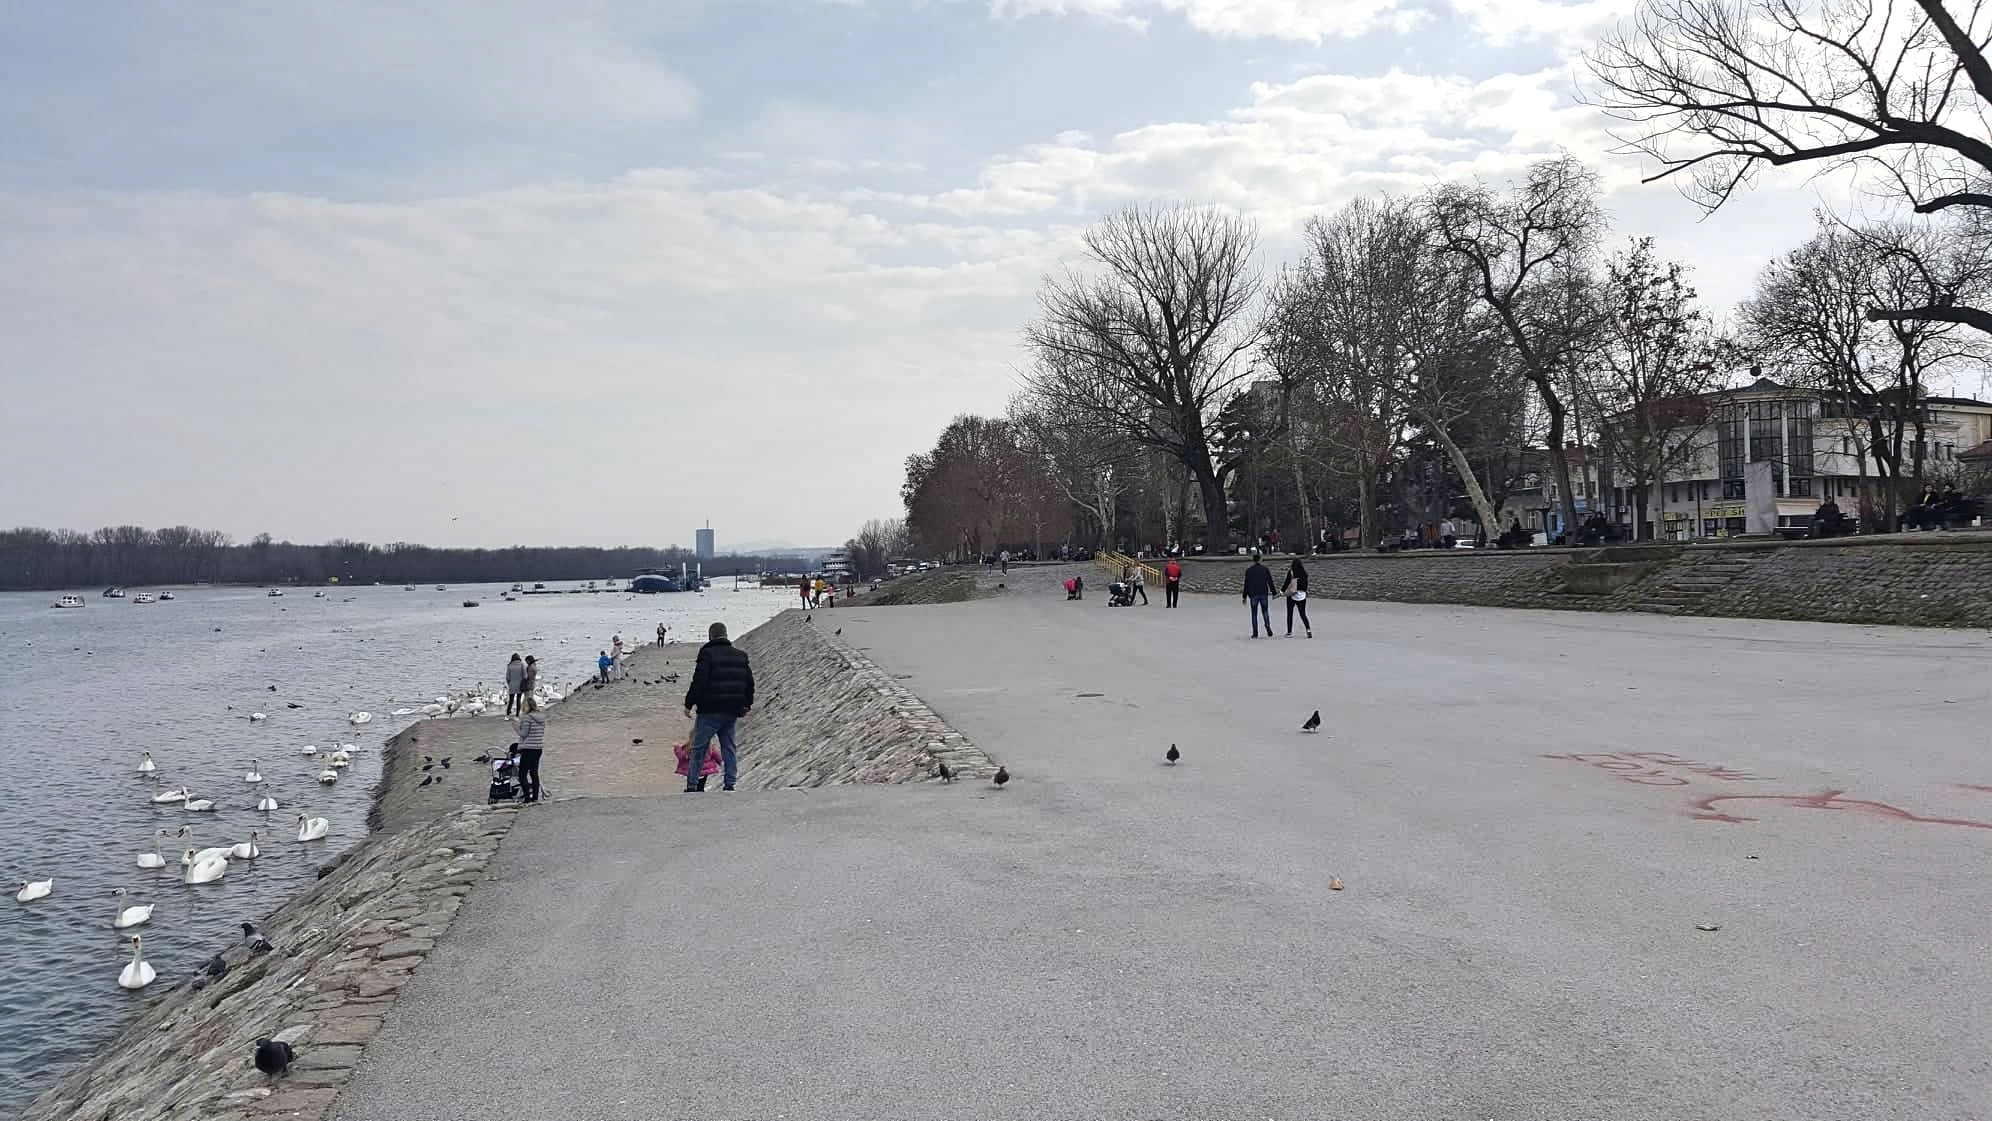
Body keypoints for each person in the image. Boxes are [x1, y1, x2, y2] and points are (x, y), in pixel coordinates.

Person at [684, 621, 754, 792]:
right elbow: (749, 683)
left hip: (709, 710)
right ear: (726, 634)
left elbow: (699, 681)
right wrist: (747, 705)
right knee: (728, 747)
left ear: (711, 636)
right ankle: (730, 783)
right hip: (731, 710)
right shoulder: (741, 655)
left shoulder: (707, 654)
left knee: (699, 748)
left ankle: (692, 785)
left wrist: (688, 703)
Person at [513, 696, 546, 803]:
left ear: (526, 706)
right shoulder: (541, 717)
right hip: (538, 748)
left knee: (522, 774)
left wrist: (516, 726)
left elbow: (523, 734)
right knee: (534, 773)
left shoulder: (527, 718)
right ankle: (535, 797)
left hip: (528, 749)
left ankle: (527, 798)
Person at [1242, 551, 1275, 638]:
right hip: (1263, 592)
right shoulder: (1265, 569)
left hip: (1253, 594)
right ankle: (1267, 625)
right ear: (1260, 560)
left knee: (1254, 613)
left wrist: (1244, 596)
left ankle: (1255, 632)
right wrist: (1274, 592)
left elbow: (1246, 584)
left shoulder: (1249, 570)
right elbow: (1270, 582)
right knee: (1265, 611)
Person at [1281, 558, 1312, 638]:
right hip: (1302, 595)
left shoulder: (1291, 572)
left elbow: (1286, 583)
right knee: (1302, 614)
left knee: (1290, 613)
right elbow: (1305, 585)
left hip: (1292, 594)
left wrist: (1281, 591)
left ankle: (1289, 632)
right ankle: (1308, 629)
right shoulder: (1304, 573)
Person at [504, 653, 526, 717]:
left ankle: (507, 715)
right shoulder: (522, 664)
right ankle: (517, 715)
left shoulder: (509, 666)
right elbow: (524, 676)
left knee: (511, 700)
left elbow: (507, 677)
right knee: (518, 700)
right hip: (520, 685)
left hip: (512, 685)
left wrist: (509, 684)